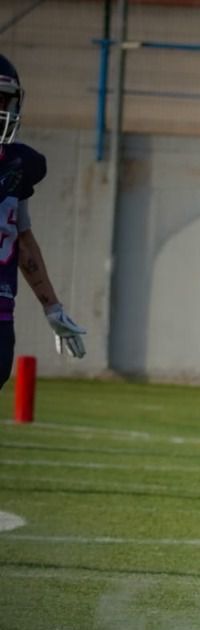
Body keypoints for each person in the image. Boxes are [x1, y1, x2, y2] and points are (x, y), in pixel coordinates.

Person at [0, 54, 85, 389]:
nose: (1, 110)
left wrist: (53, 308)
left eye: (3, 100)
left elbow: (21, 240)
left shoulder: (19, 165)